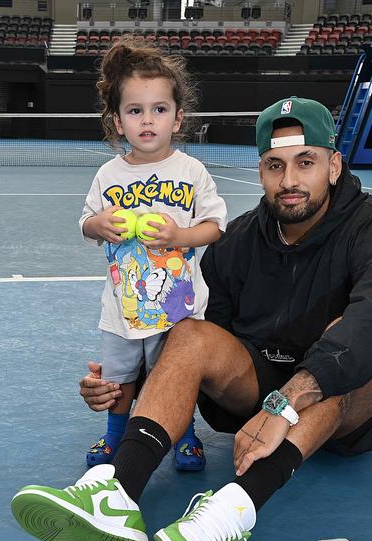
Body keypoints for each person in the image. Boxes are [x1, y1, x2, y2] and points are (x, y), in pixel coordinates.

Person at [12, 97, 372, 541]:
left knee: (350, 348)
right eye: (274, 165)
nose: (289, 180)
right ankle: (117, 494)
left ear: (333, 166)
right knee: (190, 332)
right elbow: (200, 336)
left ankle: (230, 512)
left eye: (305, 162)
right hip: (260, 385)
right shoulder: (238, 239)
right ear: (261, 172)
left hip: (353, 405)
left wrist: (286, 404)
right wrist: (126, 384)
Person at [77, 38, 227, 472]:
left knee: (175, 374)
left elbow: (215, 227)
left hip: (179, 306)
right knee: (119, 377)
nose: (148, 120)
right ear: (117, 121)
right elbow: (86, 223)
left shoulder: (191, 171)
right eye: (135, 110)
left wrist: (181, 233)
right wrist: (99, 224)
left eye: (159, 109)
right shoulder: (108, 174)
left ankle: (185, 434)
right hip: (123, 306)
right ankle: (114, 436)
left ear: (178, 118)